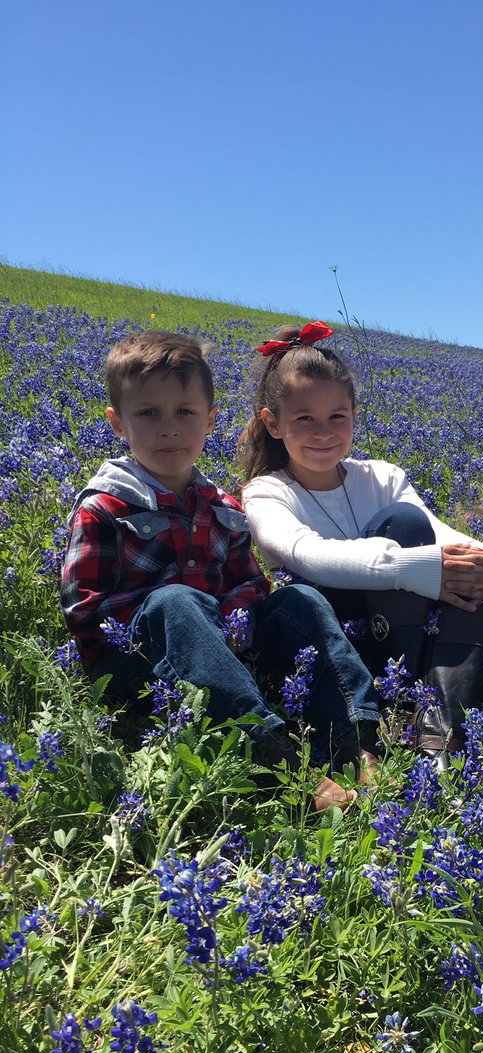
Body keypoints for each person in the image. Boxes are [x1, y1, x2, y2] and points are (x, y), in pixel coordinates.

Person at [59, 330, 382, 810]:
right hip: (142, 673)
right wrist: (179, 617)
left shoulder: (223, 506)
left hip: (225, 655)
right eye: (148, 413)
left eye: (184, 413)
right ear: (117, 424)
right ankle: (278, 761)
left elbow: (251, 583)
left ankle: (355, 740)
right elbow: (85, 612)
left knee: (300, 599)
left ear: (210, 420)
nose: (169, 428)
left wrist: (233, 615)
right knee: (176, 602)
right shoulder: (104, 506)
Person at [239, 322, 483, 766]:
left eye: (337, 417)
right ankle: (378, 720)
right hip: (330, 640)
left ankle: (435, 729)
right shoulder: (265, 492)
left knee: (407, 523)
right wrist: (418, 570)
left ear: (354, 416)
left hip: (402, 638)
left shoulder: (382, 477)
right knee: (301, 595)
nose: (323, 432)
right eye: (304, 419)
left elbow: (446, 538)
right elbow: (304, 553)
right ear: (272, 424)